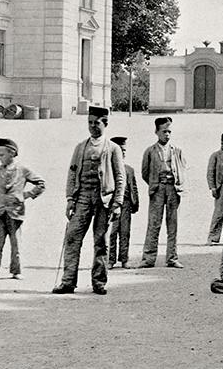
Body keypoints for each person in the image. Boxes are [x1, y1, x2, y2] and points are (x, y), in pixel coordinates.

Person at [53, 105, 123, 296]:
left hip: (103, 200)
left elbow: (120, 178)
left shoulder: (113, 149)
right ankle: (68, 282)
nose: (92, 126)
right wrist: (69, 199)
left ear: (105, 123)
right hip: (82, 198)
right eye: (90, 122)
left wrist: (116, 204)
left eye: (97, 123)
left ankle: (99, 282)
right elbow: (72, 172)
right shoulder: (80, 147)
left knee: (101, 241)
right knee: (72, 237)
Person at [0, 137, 45, 280]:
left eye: (2, 155)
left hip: (15, 212)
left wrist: (26, 195)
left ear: (12, 153)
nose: (0, 158)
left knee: (16, 243)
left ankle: (16, 271)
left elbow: (41, 183)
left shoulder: (22, 170)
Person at [140, 117, 186, 268]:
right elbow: (145, 172)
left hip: (173, 189)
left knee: (173, 224)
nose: (167, 134)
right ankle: (148, 259)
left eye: (169, 131)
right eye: (164, 131)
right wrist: (155, 184)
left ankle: (172, 258)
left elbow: (182, 169)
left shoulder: (177, 151)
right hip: (158, 189)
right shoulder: (150, 151)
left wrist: (176, 184)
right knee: (154, 224)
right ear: (156, 132)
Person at [105, 135, 138, 269]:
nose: (122, 153)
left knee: (125, 232)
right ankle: (111, 260)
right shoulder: (108, 169)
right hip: (112, 205)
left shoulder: (129, 169)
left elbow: (133, 187)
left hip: (126, 204)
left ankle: (124, 259)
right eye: (120, 150)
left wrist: (135, 203)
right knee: (112, 233)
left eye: (124, 150)